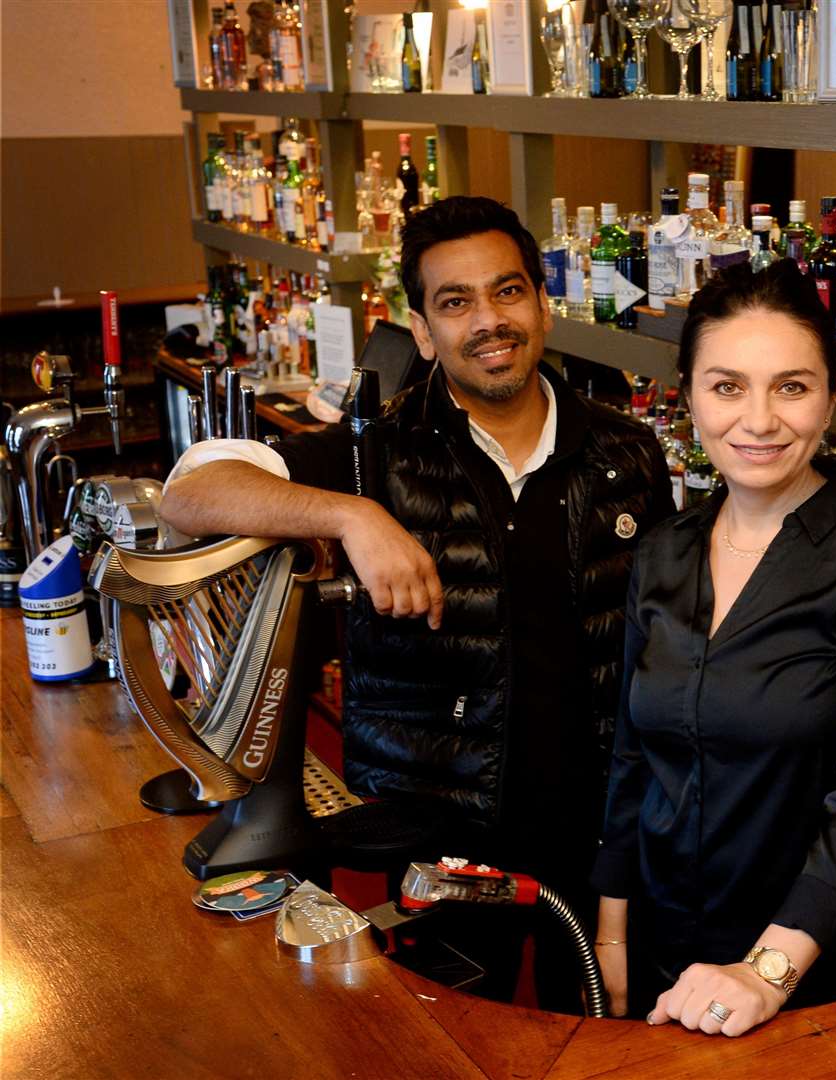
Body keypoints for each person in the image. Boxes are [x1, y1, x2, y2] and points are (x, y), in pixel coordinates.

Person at [158, 195, 674, 1009]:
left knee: (601, 1035)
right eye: (455, 301)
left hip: (598, 832)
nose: (489, 321)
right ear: (424, 330)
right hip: (438, 837)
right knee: (443, 1044)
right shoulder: (376, 459)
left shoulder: (626, 453)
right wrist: (350, 516)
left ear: (543, 303)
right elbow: (188, 493)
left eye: (507, 292)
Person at [591, 262, 836, 1037]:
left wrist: (766, 971)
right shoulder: (663, 551)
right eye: (726, 387)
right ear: (686, 396)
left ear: (831, 398)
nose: (757, 420)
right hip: (667, 950)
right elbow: (631, 757)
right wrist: (613, 931)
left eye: (790, 386)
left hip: (814, 967)